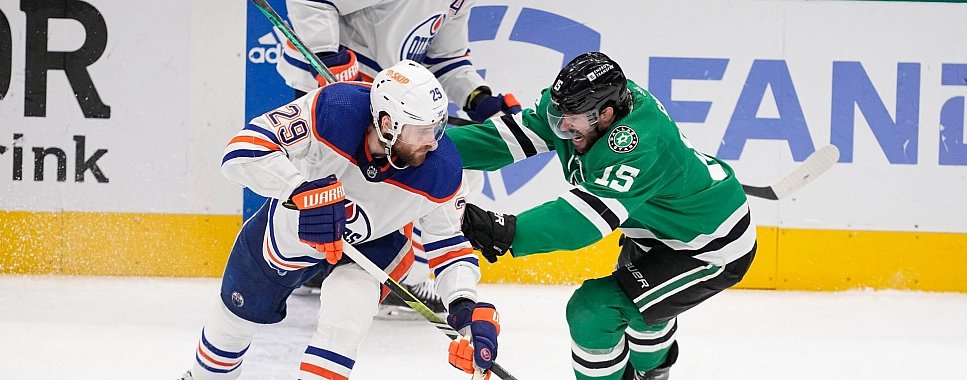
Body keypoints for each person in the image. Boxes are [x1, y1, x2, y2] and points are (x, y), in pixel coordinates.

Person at [446, 52, 757, 380]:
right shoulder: (584, 108)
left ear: (606, 115)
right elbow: (504, 139)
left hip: (710, 243)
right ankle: (653, 371)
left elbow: (583, 221)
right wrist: (430, 150)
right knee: (640, 307)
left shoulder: (636, 144)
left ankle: (653, 372)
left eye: (573, 118)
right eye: (559, 113)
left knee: (593, 311)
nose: (563, 126)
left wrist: (507, 231)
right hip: (656, 227)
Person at [180, 61, 500, 380]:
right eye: (422, 131)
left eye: (437, 127)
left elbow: (450, 247)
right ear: (387, 123)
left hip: (377, 243)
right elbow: (242, 150)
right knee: (234, 321)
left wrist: (464, 306)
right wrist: (301, 191)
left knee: (347, 317)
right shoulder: (334, 109)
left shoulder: (443, 168)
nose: (433, 141)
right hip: (294, 231)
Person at [276, 0, 522, 313]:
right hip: (343, 92)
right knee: (324, 183)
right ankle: (314, 260)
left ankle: (391, 271)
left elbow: (447, 61)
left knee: (444, 172)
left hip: (393, 100)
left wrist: (480, 99)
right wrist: (326, 52)